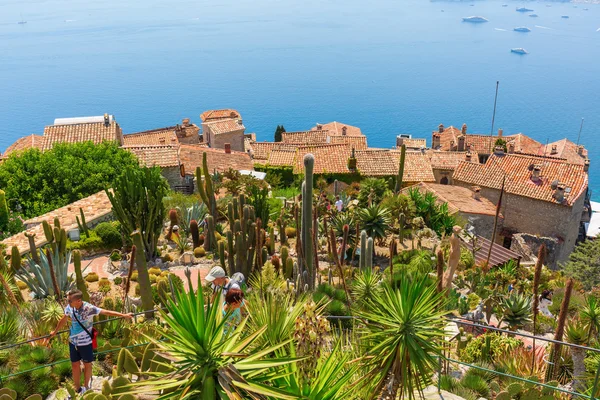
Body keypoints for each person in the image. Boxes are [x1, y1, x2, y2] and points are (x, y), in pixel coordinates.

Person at [50, 290, 133, 395]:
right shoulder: (70, 307)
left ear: (79, 300)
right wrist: (55, 332)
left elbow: (106, 312)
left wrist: (124, 315)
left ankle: (86, 388)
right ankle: (77, 388)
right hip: (73, 342)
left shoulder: (89, 309)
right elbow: (64, 319)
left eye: (70, 300)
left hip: (85, 343)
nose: (68, 302)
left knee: (87, 365)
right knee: (75, 365)